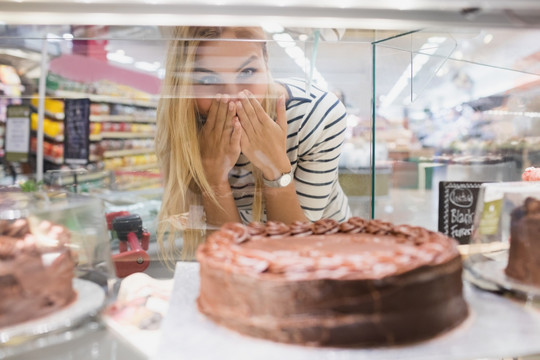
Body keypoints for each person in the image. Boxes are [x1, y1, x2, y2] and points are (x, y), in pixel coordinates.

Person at [156, 26, 351, 263]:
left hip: (324, 257)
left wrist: (275, 169)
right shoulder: (185, 123)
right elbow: (230, 255)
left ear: (266, 63)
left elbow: (296, 251)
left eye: (247, 71)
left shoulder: (317, 113)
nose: (232, 96)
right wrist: (213, 177)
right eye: (207, 79)